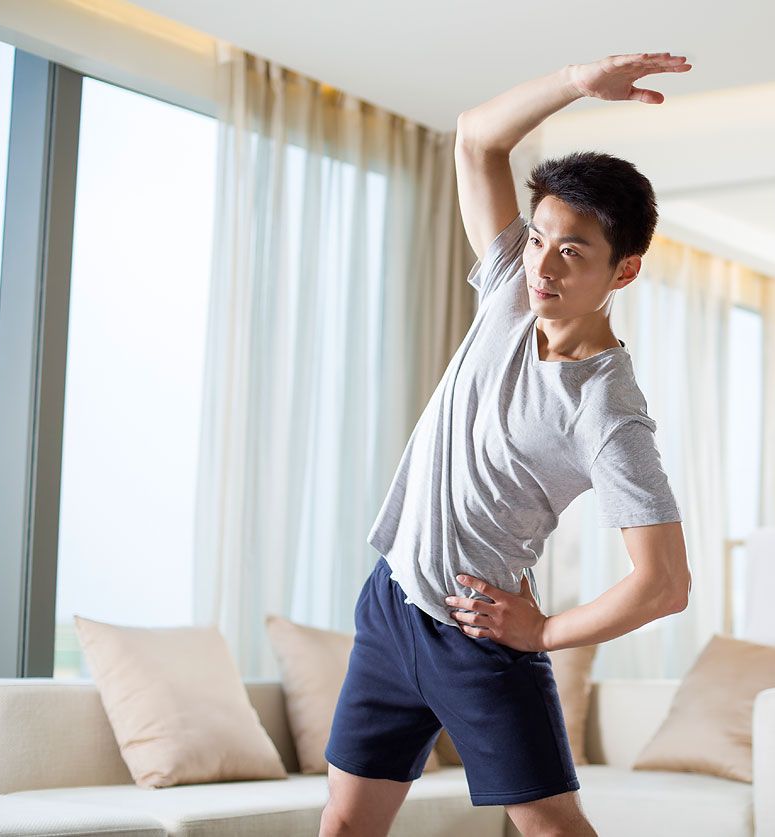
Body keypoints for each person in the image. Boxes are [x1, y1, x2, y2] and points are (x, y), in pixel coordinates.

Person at [318, 53, 693, 837]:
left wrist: (543, 631)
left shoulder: (606, 409)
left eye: (572, 252)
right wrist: (577, 84)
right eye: (537, 240)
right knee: (347, 822)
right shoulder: (505, 292)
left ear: (623, 271)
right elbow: (477, 141)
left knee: (552, 826)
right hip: (390, 604)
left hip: (476, 628)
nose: (543, 266)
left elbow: (663, 583)